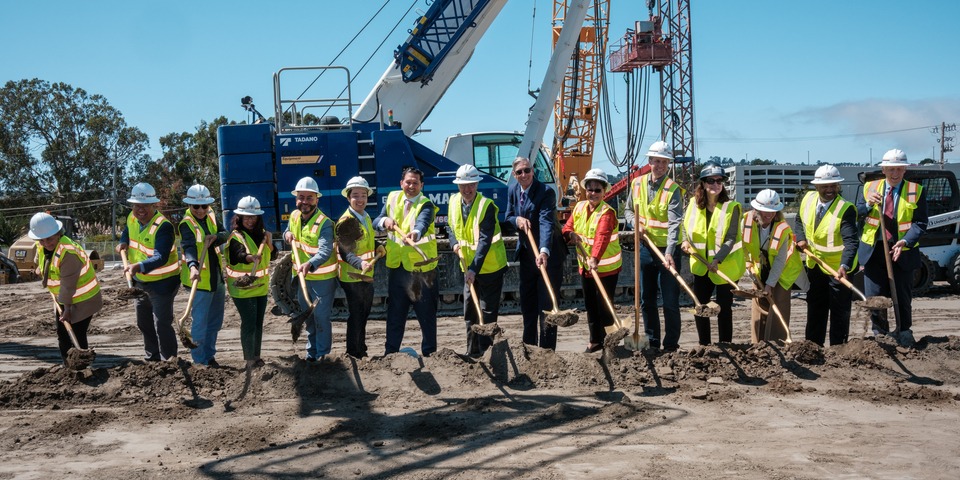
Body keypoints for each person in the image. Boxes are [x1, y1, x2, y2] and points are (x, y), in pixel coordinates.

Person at [856, 149, 928, 347]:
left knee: (903, 295)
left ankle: (904, 331)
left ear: (905, 170)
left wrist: (905, 241)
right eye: (891, 169)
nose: (895, 173)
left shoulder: (916, 190)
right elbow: (857, 212)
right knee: (875, 297)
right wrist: (869, 204)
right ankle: (880, 335)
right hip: (874, 251)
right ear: (883, 169)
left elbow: (920, 223)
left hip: (902, 251)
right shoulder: (869, 187)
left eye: (899, 169)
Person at [373, 166, 439, 357]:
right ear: (402, 183)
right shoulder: (393, 198)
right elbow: (377, 219)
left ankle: (430, 355)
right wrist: (384, 222)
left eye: (415, 183)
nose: (411, 186)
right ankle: (391, 353)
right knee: (395, 314)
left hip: (422, 270)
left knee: (426, 315)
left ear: (422, 185)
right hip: (398, 268)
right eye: (408, 182)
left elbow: (423, 222)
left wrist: (416, 233)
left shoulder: (425, 204)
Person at [624, 140, 683, 351]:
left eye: (664, 162)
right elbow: (629, 210)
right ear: (649, 161)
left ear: (668, 165)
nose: (660, 166)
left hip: (668, 250)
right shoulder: (637, 183)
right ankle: (652, 340)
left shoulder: (673, 189)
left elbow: (675, 223)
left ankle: (670, 344)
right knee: (646, 299)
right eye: (656, 161)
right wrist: (634, 223)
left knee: (669, 300)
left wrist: (669, 252)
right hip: (646, 249)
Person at [505, 156, 567, 350]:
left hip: (549, 254)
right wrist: (517, 221)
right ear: (514, 175)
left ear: (533, 171)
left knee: (547, 303)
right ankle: (529, 348)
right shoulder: (513, 190)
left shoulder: (546, 191)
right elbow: (508, 216)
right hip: (526, 254)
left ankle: (547, 351)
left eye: (527, 170)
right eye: (520, 172)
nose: (524, 174)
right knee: (528, 302)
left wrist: (544, 251)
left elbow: (546, 222)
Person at [680, 163, 745, 346]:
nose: (715, 184)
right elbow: (684, 227)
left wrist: (717, 260)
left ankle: (726, 345)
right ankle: (705, 345)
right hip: (701, 266)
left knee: (724, 309)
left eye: (719, 180)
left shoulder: (732, 207)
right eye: (711, 181)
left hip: (725, 266)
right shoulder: (693, 204)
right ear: (703, 183)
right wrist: (685, 240)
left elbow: (731, 238)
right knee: (701, 307)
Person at [447, 165, 508, 357]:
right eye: (463, 185)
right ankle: (472, 352)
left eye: (471, 185)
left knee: (487, 312)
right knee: (470, 311)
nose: (467, 190)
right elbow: (450, 227)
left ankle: (487, 352)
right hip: (467, 266)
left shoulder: (486, 205)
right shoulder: (454, 201)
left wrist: (474, 268)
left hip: (490, 266)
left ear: (477, 184)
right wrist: (454, 243)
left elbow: (484, 240)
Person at [116, 182, 181, 361]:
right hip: (140, 282)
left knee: (162, 323)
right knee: (143, 322)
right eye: (137, 205)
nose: (140, 209)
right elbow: (127, 231)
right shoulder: (131, 217)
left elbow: (161, 257)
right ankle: (152, 358)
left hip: (163, 283)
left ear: (154, 204)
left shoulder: (164, 227)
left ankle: (169, 359)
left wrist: (138, 267)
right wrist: (123, 241)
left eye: (145, 205)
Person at [795, 165, 858, 346]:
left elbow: (851, 242)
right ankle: (813, 347)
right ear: (816, 186)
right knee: (815, 308)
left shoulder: (846, 209)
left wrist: (844, 266)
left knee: (839, 312)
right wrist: (801, 239)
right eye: (825, 186)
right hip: (815, 264)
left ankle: (838, 350)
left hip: (838, 268)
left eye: (834, 186)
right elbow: (799, 221)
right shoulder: (807, 199)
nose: (830, 190)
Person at [30, 212, 103, 366]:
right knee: (62, 334)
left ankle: (82, 366)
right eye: (41, 240)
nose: (46, 243)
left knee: (76, 332)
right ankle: (68, 366)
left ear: (57, 233)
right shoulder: (41, 244)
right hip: (63, 297)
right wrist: (40, 269)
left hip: (84, 297)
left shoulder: (67, 252)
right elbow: (41, 260)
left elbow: (68, 285)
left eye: (49, 239)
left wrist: (67, 309)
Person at [562, 168, 622, 352]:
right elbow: (568, 227)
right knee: (590, 304)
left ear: (604, 191)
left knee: (605, 306)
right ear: (585, 190)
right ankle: (595, 341)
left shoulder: (607, 212)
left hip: (606, 267)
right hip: (586, 267)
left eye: (597, 190)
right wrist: (569, 234)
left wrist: (595, 258)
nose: (593, 193)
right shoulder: (579, 207)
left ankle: (610, 343)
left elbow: (602, 237)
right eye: (590, 189)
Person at [283, 176, 338, 362]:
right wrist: (287, 233)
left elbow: (325, 250)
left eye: (309, 198)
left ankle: (322, 355)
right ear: (296, 198)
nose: (304, 202)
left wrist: (310, 264)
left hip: (321, 279)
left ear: (317, 199)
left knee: (321, 318)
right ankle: (311, 354)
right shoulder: (294, 216)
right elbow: (288, 232)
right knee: (308, 318)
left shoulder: (325, 223)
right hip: (301, 278)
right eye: (301, 197)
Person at [742, 189, 808, 343]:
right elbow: (743, 245)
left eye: (772, 211)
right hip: (760, 266)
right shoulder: (746, 221)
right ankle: (758, 344)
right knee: (759, 303)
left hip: (784, 270)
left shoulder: (783, 229)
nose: (768, 215)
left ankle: (778, 343)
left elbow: (779, 260)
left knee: (778, 303)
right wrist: (747, 263)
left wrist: (770, 284)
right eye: (765, 211)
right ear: (756, 209)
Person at [178, 184, 229, 367]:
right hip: (199, 282)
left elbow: (226, 234)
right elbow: (189, 247)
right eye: (196, 207)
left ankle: (209, 355)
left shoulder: (212, 216)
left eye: (204, 206)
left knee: (215, 322)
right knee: (200, 324)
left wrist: (216, 237)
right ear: (189, 206)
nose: (200, 210)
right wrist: (192, 266)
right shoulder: (186, 224)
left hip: (216, 279)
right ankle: (199, 361)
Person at [224, 196, 276, 368]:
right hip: (242, 288)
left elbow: (273, 255)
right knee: (249, 322)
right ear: (239, 218)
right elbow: (237, 255)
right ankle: (249, 360)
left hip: (260, 287)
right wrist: (249, 258)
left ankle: (256, 356)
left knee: (258, 323)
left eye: (253, 217)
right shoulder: (236, 237)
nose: (250, 221)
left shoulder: (262, 236)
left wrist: (270, 243)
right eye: (246, 217)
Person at [336, 176, 379, 359]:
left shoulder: (365, 216)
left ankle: (361, 349)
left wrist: (378, 246)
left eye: (363, 195)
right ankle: (353, 352)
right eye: (355, 195)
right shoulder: (346, 221)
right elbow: (345, 251)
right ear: (348, 197)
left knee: (364, 313)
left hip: (365, 274)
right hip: (353, 275)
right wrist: (359, 263)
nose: (360, 199)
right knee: (357, 315)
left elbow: (366, 239)